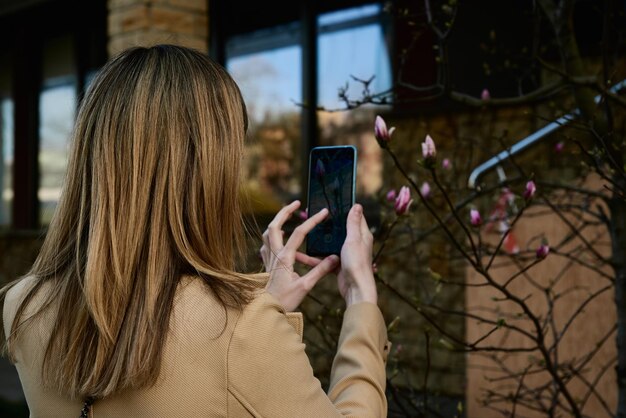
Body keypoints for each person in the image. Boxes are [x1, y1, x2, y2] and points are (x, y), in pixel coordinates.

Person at [1, 45, 389, 417]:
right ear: (206, 171)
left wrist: (269, 313)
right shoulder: (241, 332)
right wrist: (360, 298)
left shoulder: (24, 306)